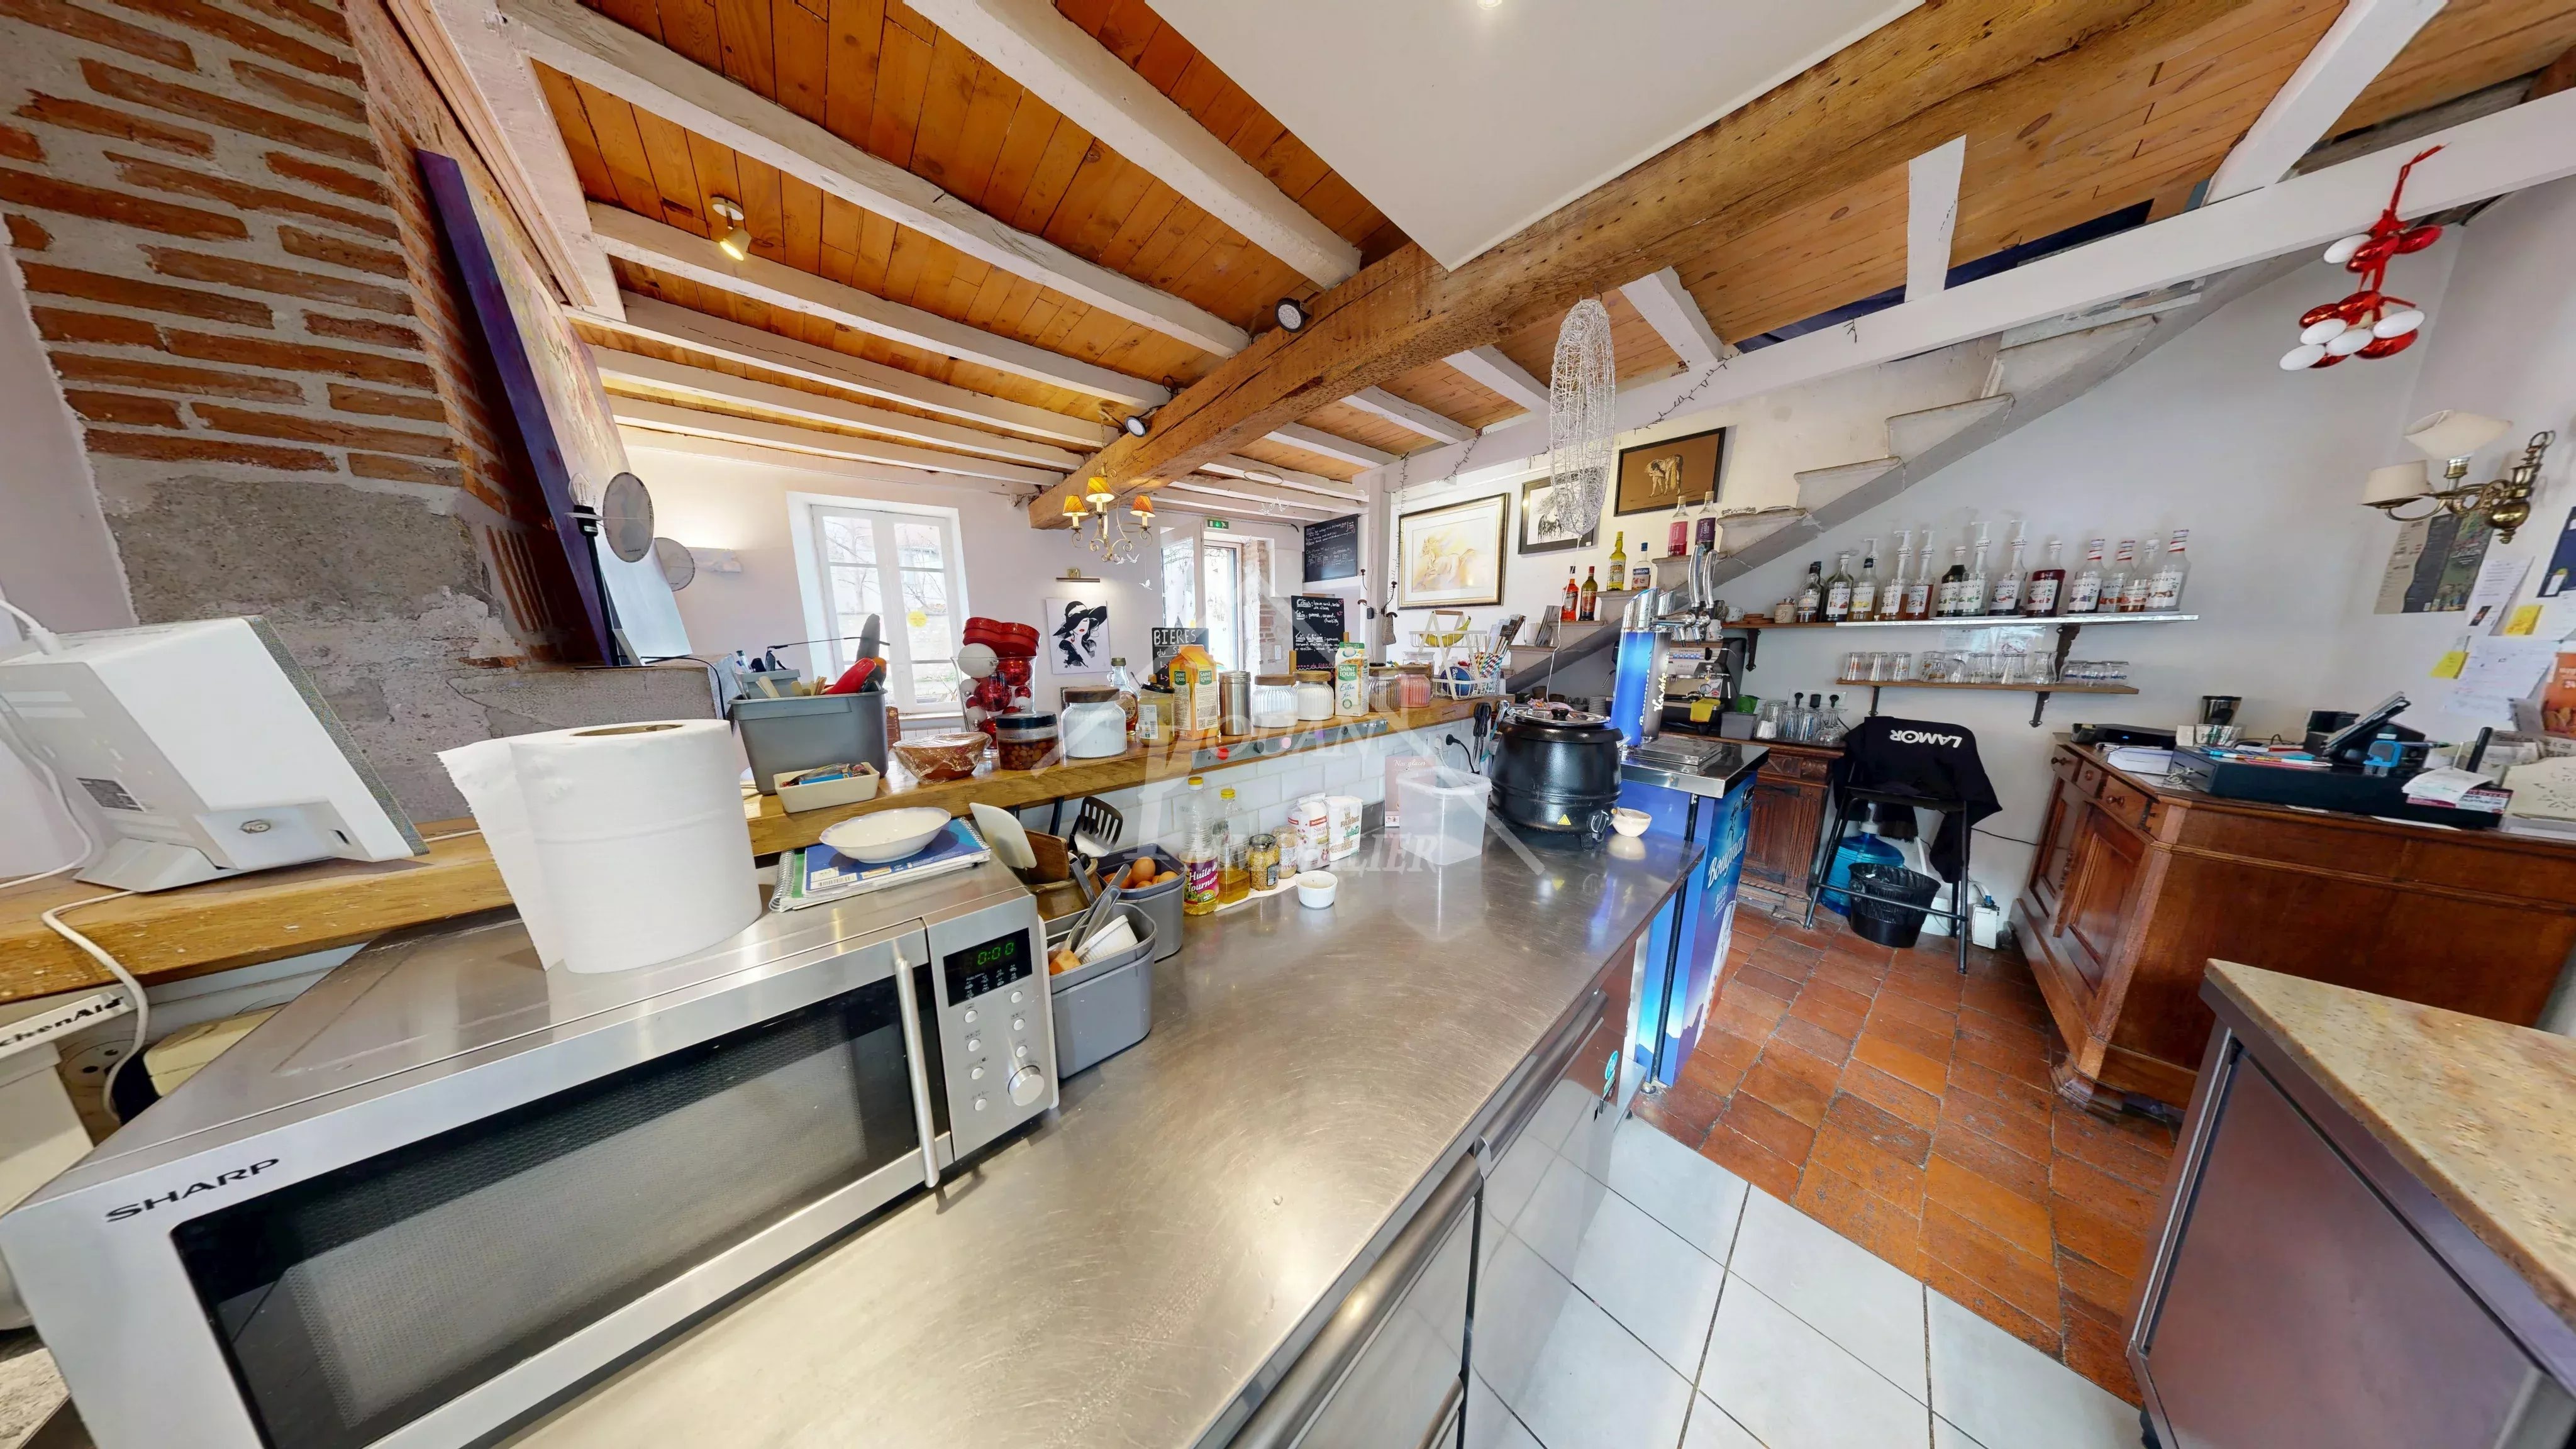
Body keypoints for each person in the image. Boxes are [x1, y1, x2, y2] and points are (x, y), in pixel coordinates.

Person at [1053, 599, 1108, 670]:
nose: (1082, 625)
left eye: (1085, 621)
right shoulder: (1065, 646)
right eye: (1077, 621)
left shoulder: (1089, 644)